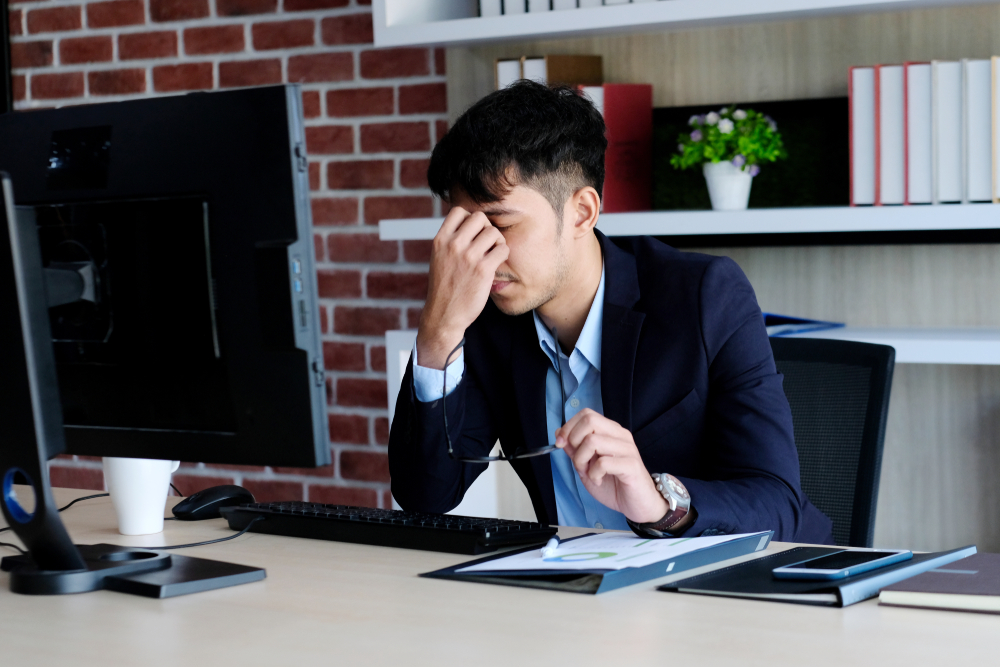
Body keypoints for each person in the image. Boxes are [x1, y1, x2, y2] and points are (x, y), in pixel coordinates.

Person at [388, 80, 833, 543]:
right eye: (464, 228)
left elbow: (780, 503)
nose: (480, 253)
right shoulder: (485, 314)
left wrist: (661, 504)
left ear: (582, 212)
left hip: (719, 592)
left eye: (499, 224)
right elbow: (427, 496)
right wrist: (438, 333)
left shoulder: (704, 296)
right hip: (575, 593)